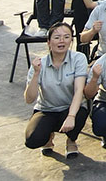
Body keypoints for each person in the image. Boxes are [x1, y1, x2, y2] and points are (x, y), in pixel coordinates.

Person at [23, 23, 88, 157]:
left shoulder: (78, 58)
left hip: (70, 107)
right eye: (57, 37)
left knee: (80, 114)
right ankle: (48, 136)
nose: (62, 41)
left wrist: (71, 116)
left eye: (66, 37)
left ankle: (71, 140)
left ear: (71, 40)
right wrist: (36, 73)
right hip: (46, 109)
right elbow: (29, 99)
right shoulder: (39, 63)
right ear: (48, 42)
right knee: (32, 140)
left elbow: (79, 90)